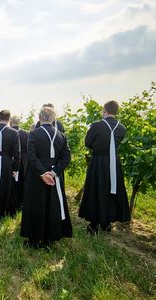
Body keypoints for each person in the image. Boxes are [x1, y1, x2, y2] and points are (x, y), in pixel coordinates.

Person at [20, 107, 72, 248]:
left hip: (36, 176)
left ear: (39, 117)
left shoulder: (33, 134)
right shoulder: (62, 135)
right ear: (53, 118)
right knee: (52, 205)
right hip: (54, 178)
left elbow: (31, 156)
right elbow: (66, 158)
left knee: (35, 205)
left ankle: (34, 240)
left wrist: (43, 173)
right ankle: (50, 237)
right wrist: (54, 172)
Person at [79, 101, 130, 234]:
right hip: (114, 163)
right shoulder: (122, 127)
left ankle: (94, 224)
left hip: (99, 162)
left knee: (96, 190)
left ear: (105, 111)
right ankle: (107, 223)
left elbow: (88, 143)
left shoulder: (97, 125)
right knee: (110, 190)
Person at [10, 115, 29, 209]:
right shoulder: (26, 133)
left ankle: (13, 200)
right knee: (23, 180)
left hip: (12, 159)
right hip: (24, 160)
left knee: (13, 181)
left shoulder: (9, 132)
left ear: (10, 122)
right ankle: (22, 201)